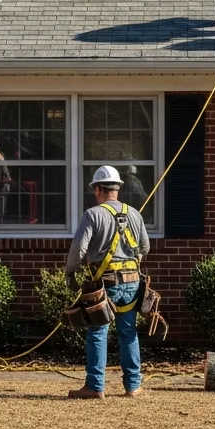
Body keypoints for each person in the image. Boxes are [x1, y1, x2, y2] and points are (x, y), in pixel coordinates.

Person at [64, 166, 151, 399]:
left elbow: (78, 249)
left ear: (99, 189)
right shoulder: (134, 214)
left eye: (95, 189)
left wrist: (70, 273)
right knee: (128, 332)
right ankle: (133, 386)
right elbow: (145, 248)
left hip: (105, 284)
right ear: (118, 188)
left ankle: (95, 386)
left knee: (98, 332)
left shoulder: (92, 215)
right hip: (132, 284)